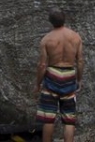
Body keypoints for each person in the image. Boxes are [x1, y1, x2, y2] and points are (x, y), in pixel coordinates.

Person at [34, 8, 84, 142]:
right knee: (69, 119)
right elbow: (79, 61)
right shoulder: (76, 37)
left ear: (50, 21)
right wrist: (79, 79)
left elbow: (42, 65)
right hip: (69, 74)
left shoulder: (46, 39)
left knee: (48, 116)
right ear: (64, 19)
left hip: (52, 75)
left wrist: (38, 83)